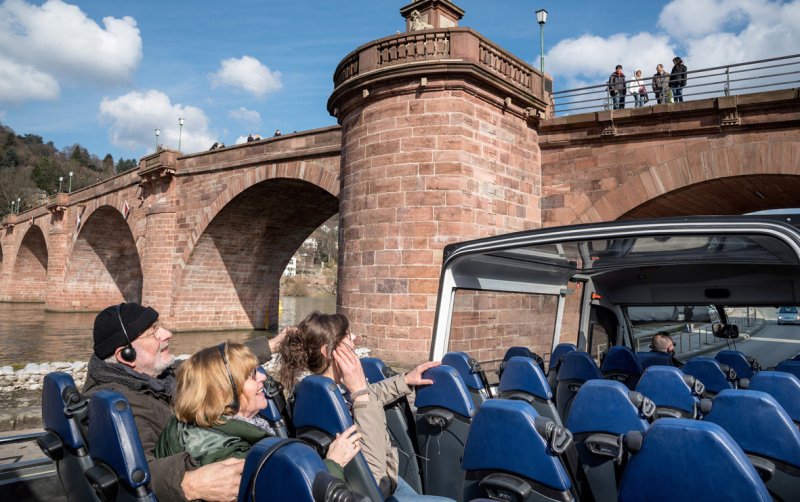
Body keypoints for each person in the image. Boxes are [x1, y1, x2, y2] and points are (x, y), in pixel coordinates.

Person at [84, 302, 286, 502]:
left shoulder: (161, 375)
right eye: (154, 332)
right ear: (126, 355)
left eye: (159, 325)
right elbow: (132, 472)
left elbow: (215, 366)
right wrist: (189, 483)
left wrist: (270, 345)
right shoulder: (121, 406)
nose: (167, 333)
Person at [278, 312, 452, 502]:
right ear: (328, 351)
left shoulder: (314, 390)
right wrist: (360, 395)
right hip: (372, 489)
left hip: (385, 480)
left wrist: (405, 380)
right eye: (346, 335)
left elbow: (371, 393)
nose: (354, 338)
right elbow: (375, 478)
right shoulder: (341, 399)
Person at [155, 342, 360, 478]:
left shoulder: (186, 425)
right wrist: (333, 464)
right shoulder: (228, 455)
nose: (263, 377)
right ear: (223, 393)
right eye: (252, 376)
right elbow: (290, 495)